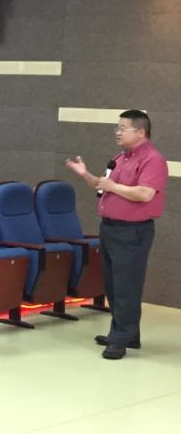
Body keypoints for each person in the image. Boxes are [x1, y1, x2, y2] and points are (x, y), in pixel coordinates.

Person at [64, 110, 168, 360]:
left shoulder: (153, 160)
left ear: (140, 131)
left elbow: (145, 194)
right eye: (117, 128)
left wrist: (113, 187)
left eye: (123, 128)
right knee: (112, 284)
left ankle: (120, 340)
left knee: (126, 286)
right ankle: (128, 335)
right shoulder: (120, 158)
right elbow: (103, 186)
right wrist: (84, 174)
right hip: (110, 228)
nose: (117, 132)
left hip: (132, 231)